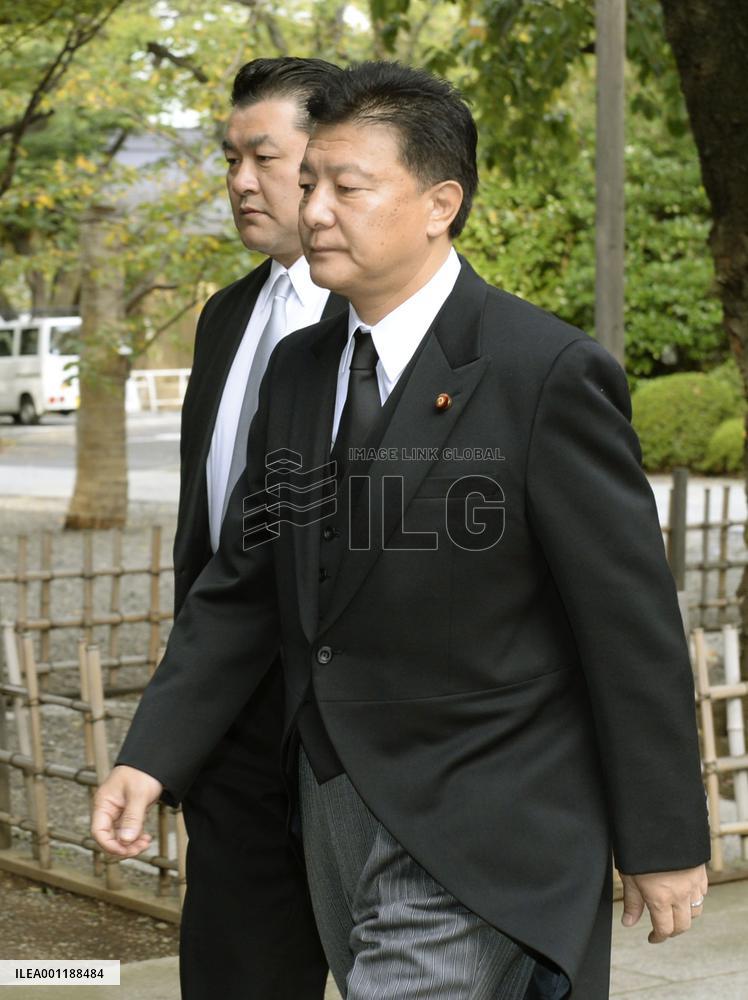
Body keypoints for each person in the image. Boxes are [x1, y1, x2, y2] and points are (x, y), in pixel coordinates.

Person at [94, 62, 710, 999]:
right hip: (332, 810)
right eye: (310, 183)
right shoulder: (299, 371)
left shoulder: (544, 372)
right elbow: (245, 587)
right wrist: (151, 755)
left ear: (439, 204)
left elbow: (630, 626)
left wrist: (662, 839)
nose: (314, 211)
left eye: (347, 188)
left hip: (487, 822)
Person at [108, 57, 345, 1000]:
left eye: (264, 157)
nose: (242, 181)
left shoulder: (393, 324)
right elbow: (214, 541)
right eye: (229, 159)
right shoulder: (227, 317)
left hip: (363, 737)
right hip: (236, 731)